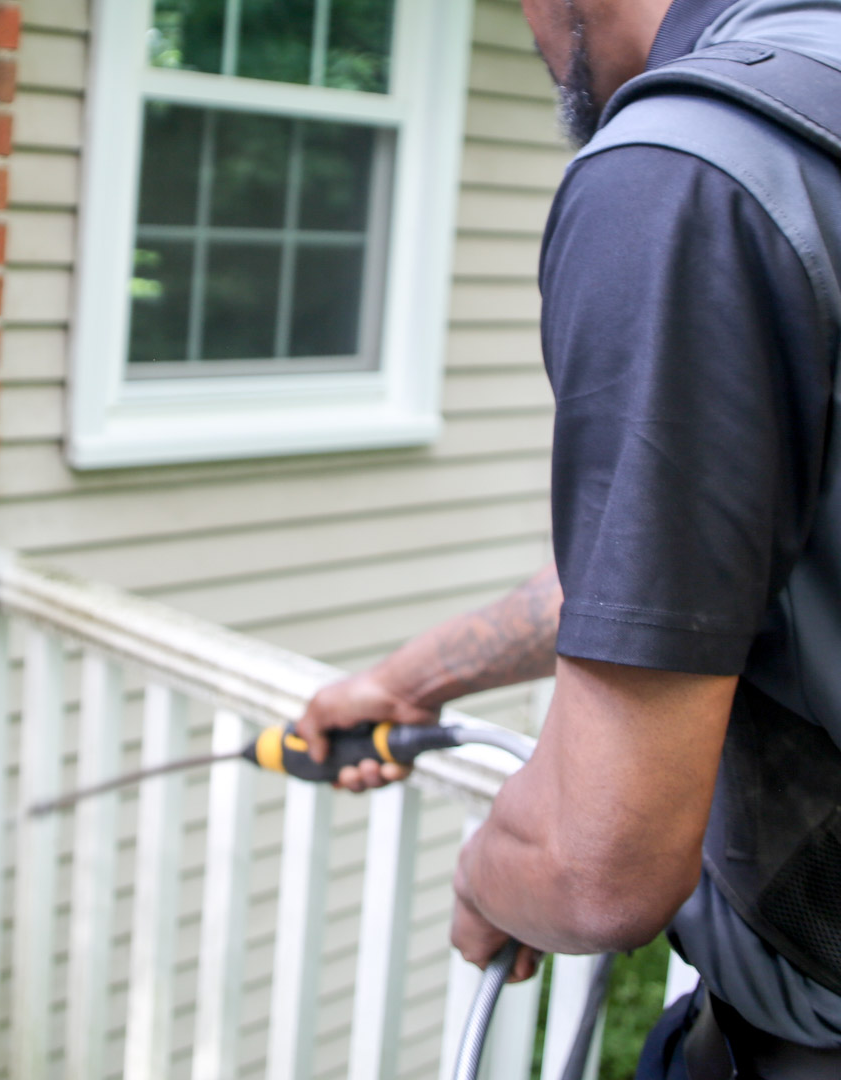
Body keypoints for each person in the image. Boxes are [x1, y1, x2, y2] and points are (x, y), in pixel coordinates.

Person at [296, 0, 841, 1075]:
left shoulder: (687, 174)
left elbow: (600, 866)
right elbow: (703, 555)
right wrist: (413, 680)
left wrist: (492, 869)